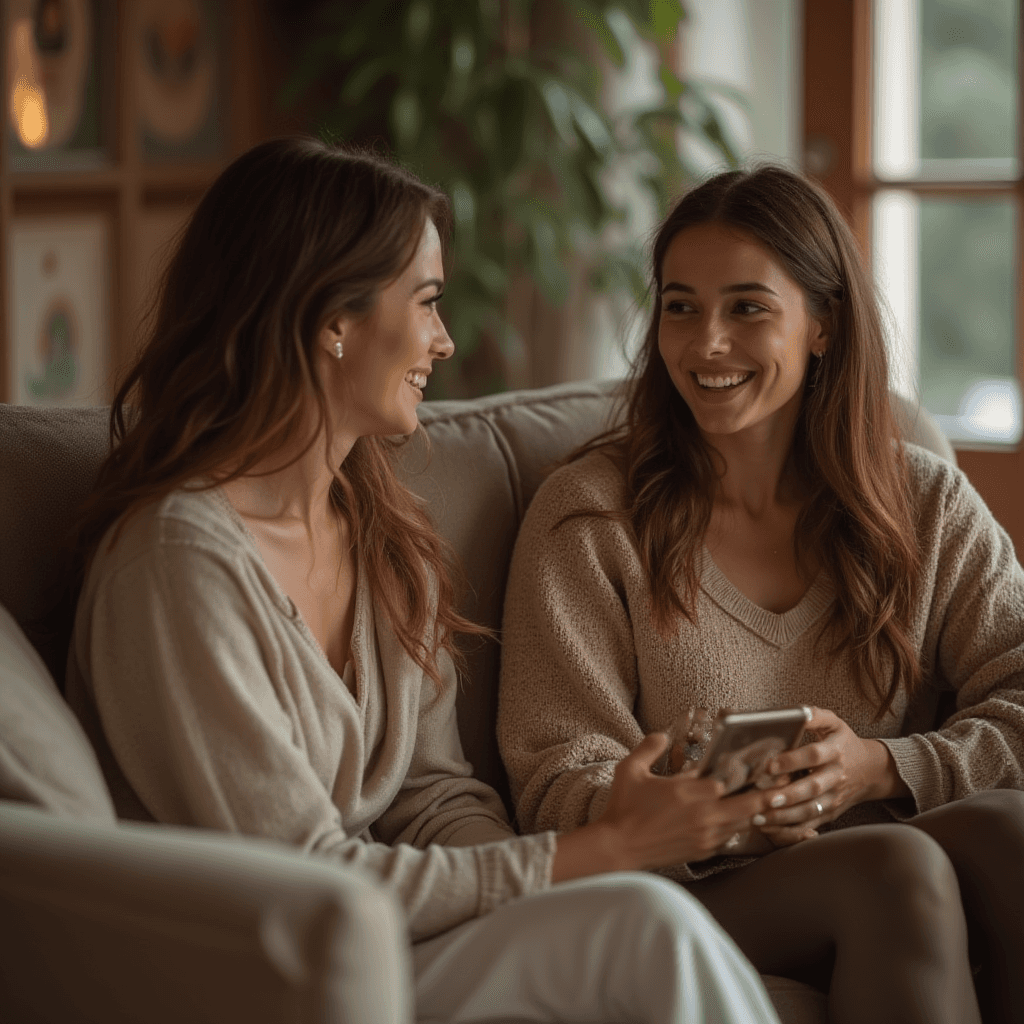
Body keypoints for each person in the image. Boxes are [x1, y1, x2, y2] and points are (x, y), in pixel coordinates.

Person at [63, 137, 785, 1024]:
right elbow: (302, 883)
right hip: (255, 972)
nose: (444, 341)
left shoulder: (375, 527)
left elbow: (434, 795)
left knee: (639, 919)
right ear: (332, 318)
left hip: (387, 945)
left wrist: (567, 880)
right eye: (427, 302)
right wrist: (600, 850)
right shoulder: (178, 567)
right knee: (646, 928)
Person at [497, 164, 1024, 1024]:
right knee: (892, 869)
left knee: (1007, 834)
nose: (705, 343)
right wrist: (688, 798)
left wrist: (880, 766)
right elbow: (554, 776)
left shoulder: (924, 502)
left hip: (880, 847)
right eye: (680, 306)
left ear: (822, 325)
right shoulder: (590, 516)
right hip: (680, 891)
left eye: (747, 307)